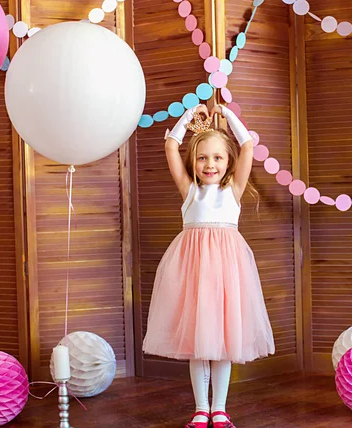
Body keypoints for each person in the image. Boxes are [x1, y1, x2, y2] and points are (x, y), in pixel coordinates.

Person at [143, 104, 275, 428]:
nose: (209, 164)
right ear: (194, 162)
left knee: (224, 344)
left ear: (227, 161)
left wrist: (227, 116)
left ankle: (220, 408)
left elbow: (248, 145)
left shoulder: (233, 192)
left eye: (217, 157)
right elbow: (170, 145)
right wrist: (188, 116)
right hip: (195, 275)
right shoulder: (190, 193)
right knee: (199, 345)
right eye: (202, 157)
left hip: (228, 276)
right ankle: (201, 409)